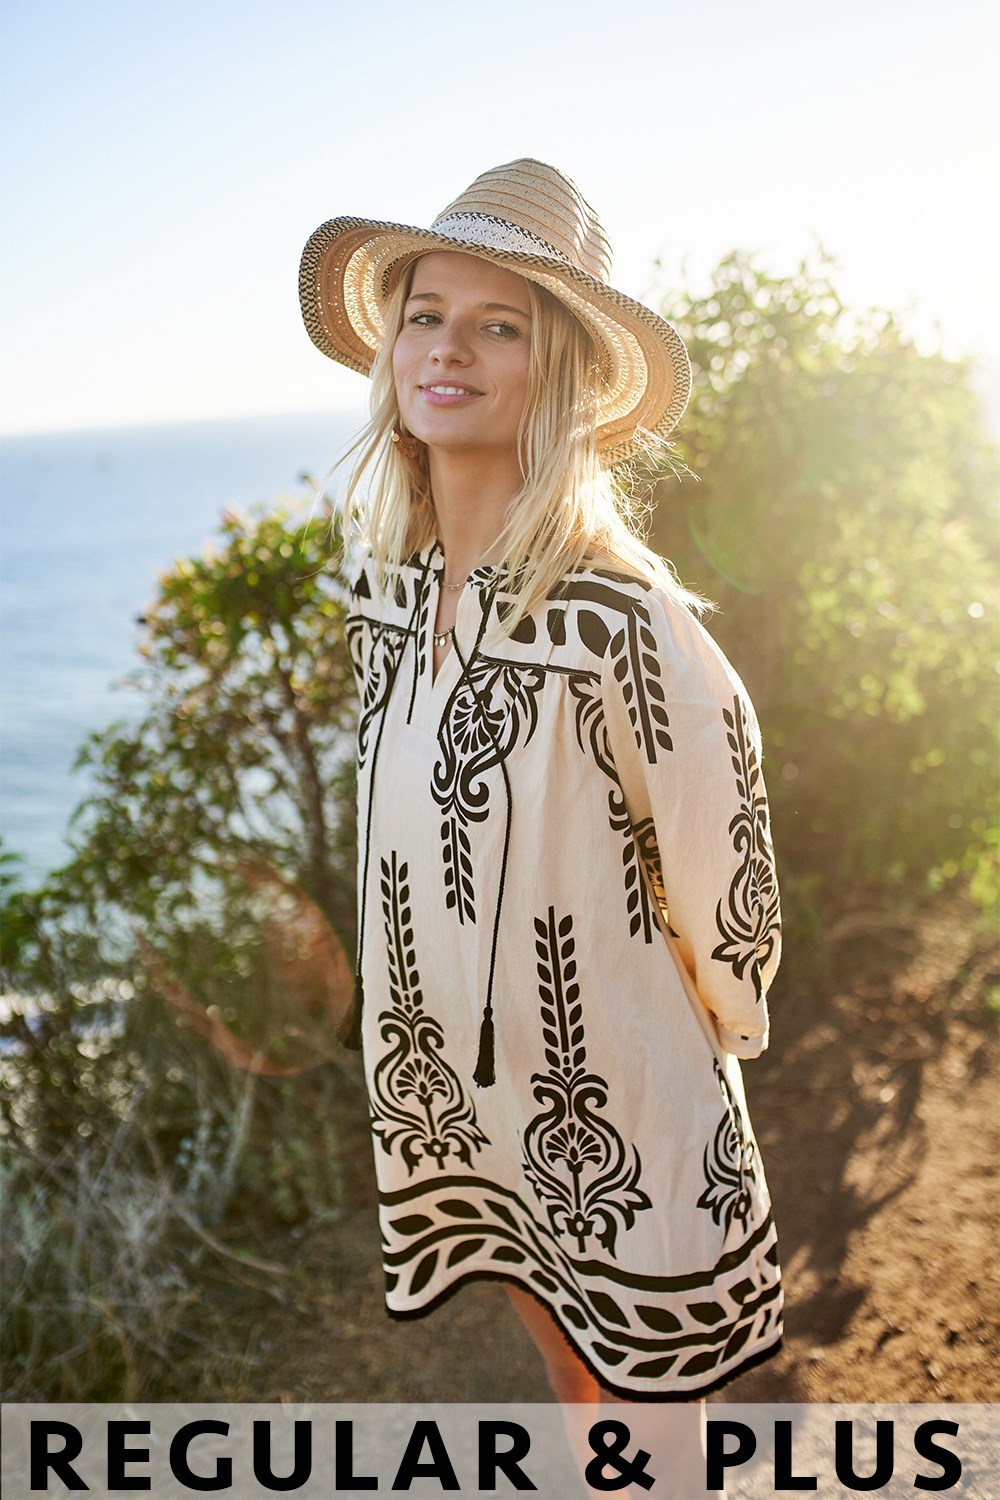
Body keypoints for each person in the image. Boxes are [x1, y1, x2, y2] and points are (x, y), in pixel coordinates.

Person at [299, 160, 782, 1489]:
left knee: (653, 1424)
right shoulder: (385, 593)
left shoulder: (624, 615)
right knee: (573, 1384)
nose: (447, 347)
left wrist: (691, 1039)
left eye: (497, 325)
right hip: (461, 1096)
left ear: (556, 372)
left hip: (614, 1099)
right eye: (425, 314)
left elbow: (725, 869)